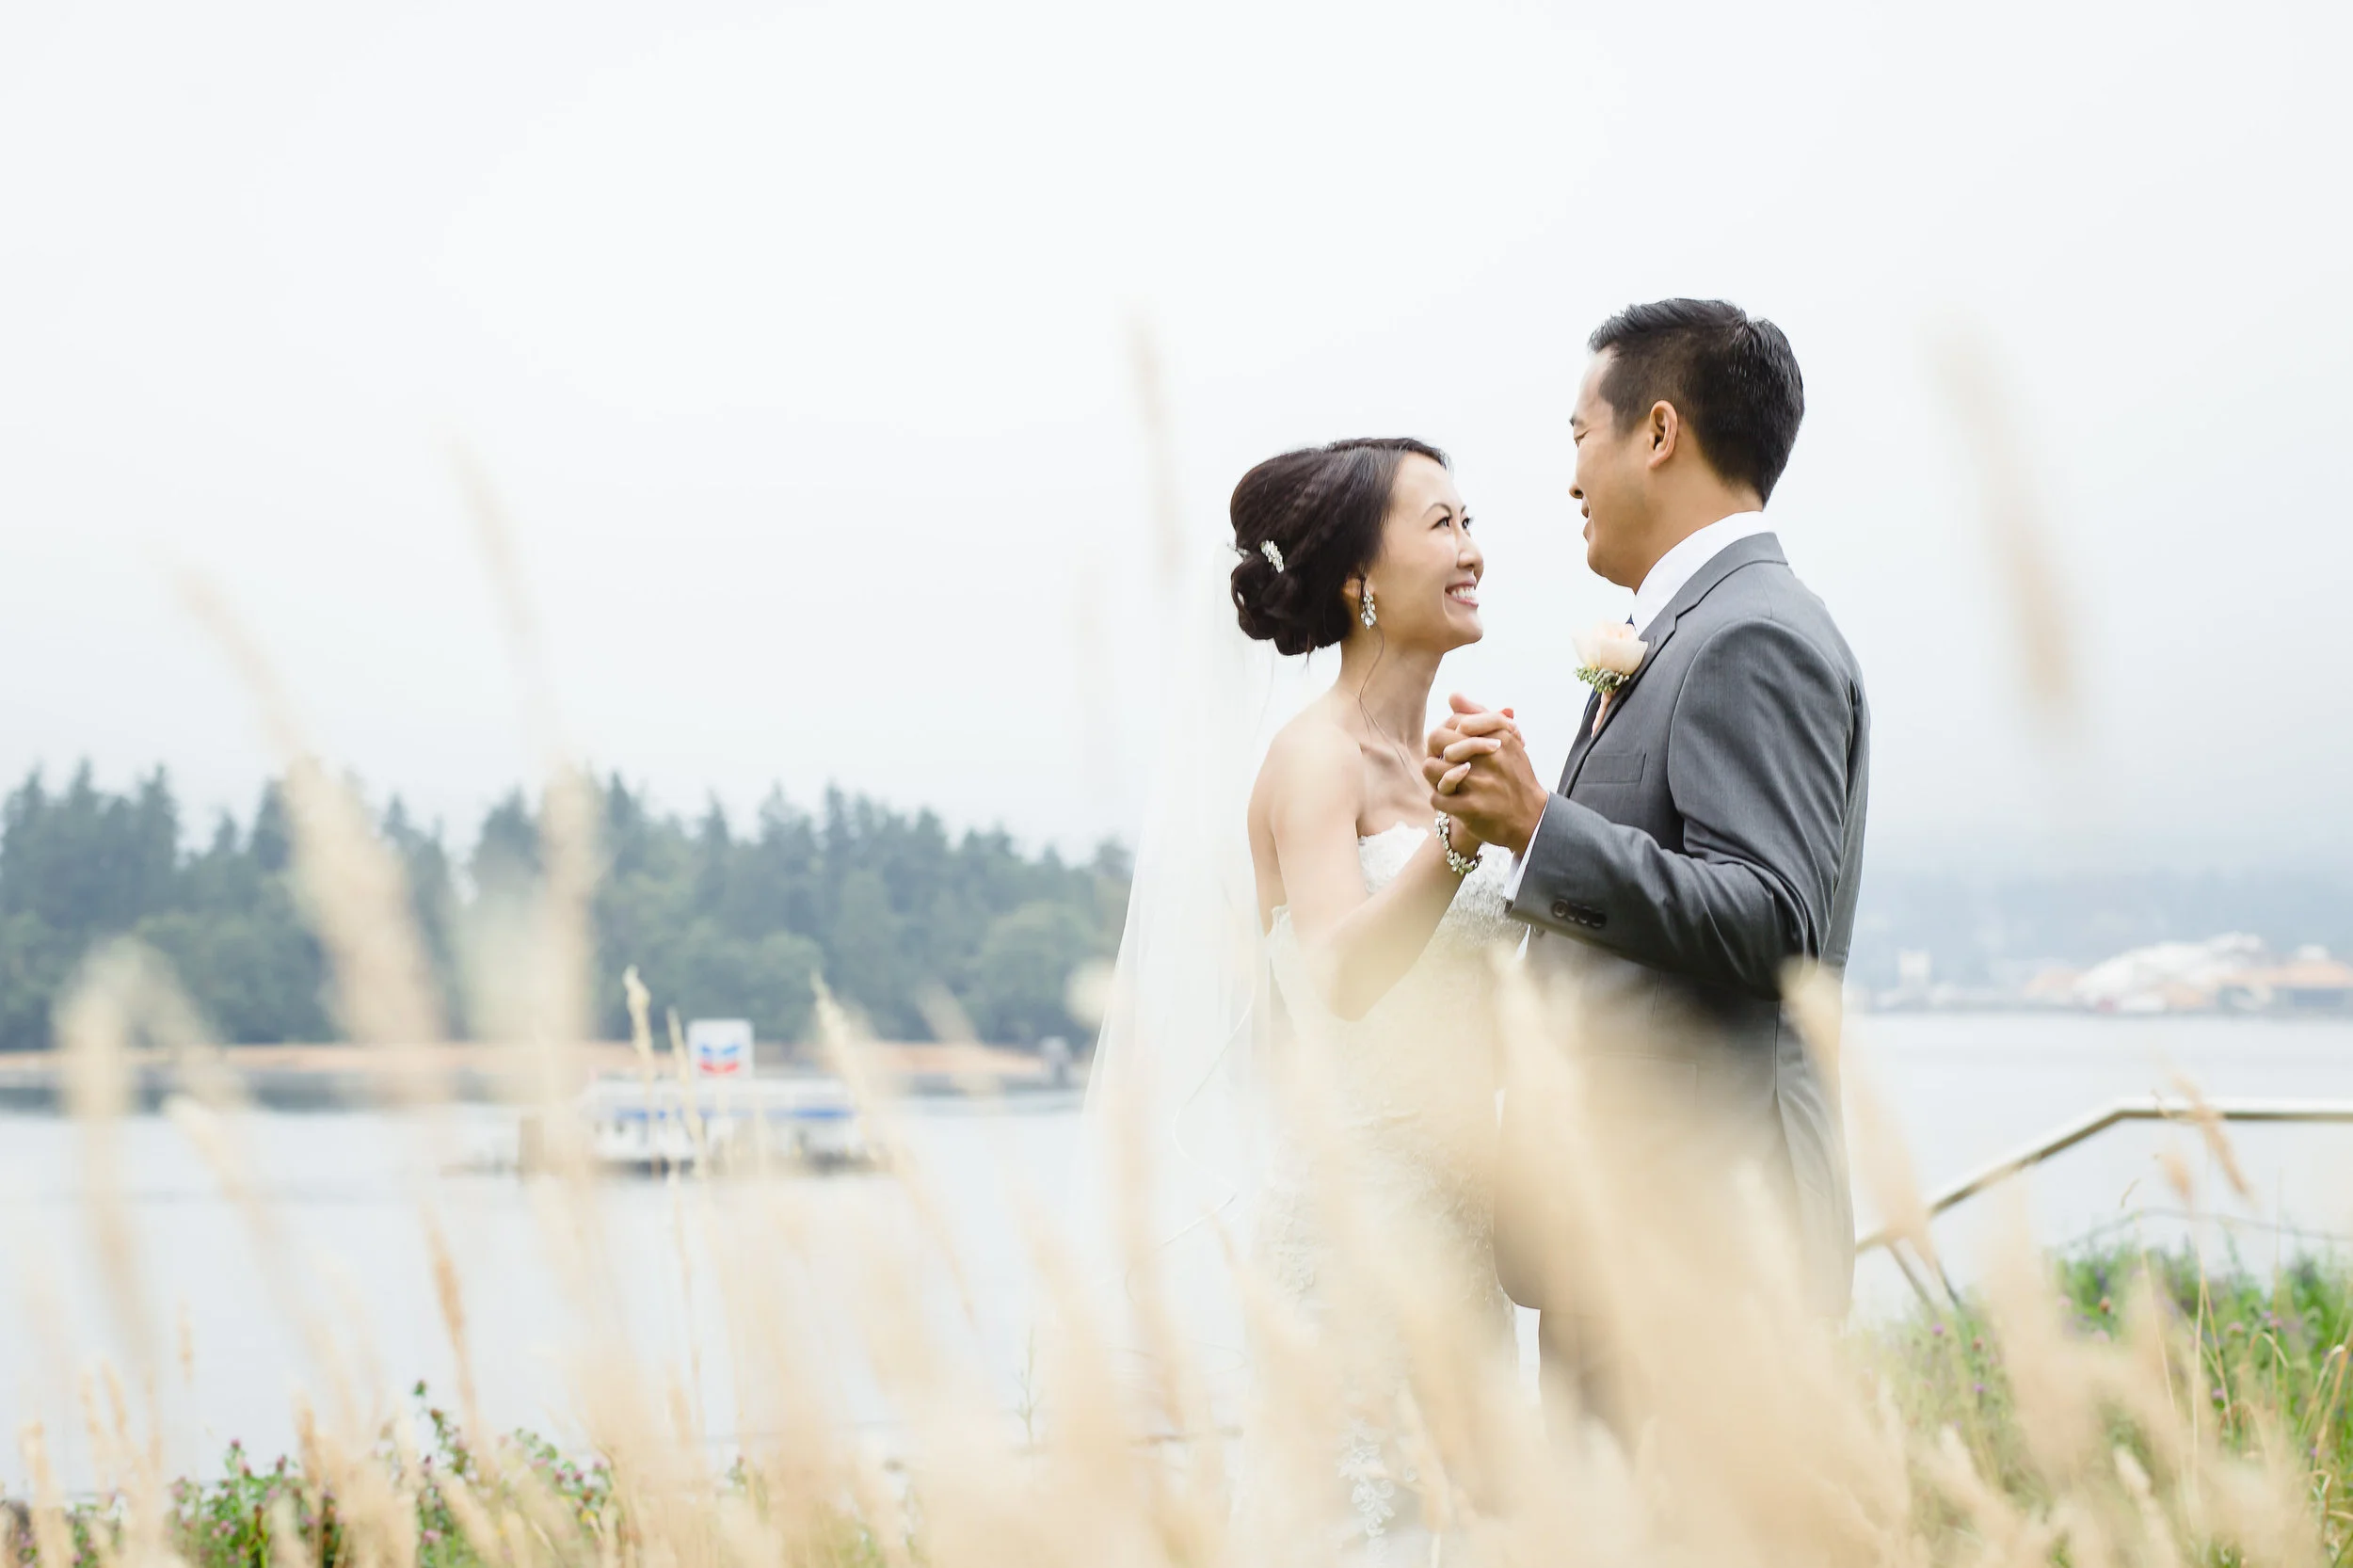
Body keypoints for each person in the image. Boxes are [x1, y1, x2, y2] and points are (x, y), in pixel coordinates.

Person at [1425, 298, 1870, 1430]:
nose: (1569, 476)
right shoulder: (1682, 630)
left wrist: (1538, 824)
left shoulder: (1749, 634)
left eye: (1579, 433)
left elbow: (1773, 922)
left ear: (1657, 432)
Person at [1225, 437, 1521, 1560]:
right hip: (1361, 1234)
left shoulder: (1440, 754)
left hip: (1462, 1230)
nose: (1473, 549)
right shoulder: (1315, 759)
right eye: (1441, 525)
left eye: (1469, 520)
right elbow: (1341, 971)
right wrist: (1458, 842)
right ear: (1359, 577)